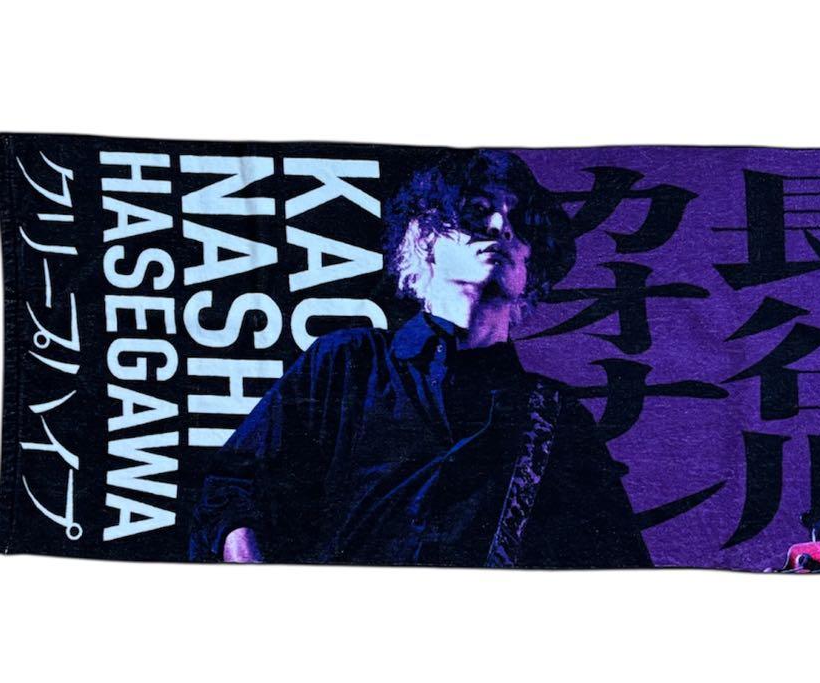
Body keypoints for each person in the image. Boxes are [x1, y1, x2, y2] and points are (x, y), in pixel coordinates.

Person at [188, 149, 652, 568]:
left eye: (519, 224)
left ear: (531, 266)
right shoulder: (346, 364)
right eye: (475, 212)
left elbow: (621, 571)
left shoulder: (556, 420)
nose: (499, 227)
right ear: (424, 239)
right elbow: (230, 489)